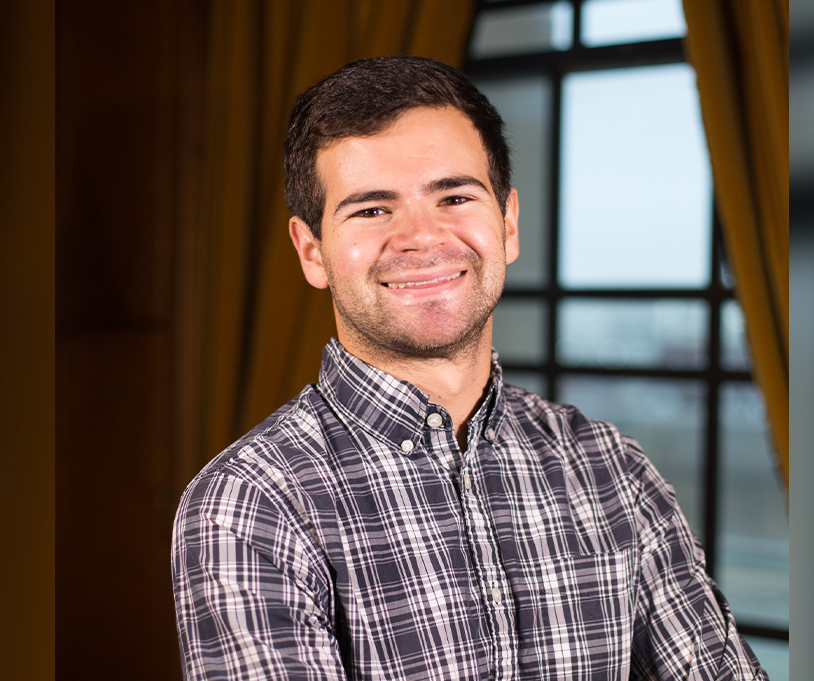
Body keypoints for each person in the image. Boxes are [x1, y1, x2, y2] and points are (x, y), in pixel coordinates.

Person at [172, 56, 768, 680]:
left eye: (454, 196)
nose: (423, 238)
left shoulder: (611, 469)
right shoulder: (252, 505)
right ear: (312, 250)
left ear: (507, 224)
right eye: (372, 210)